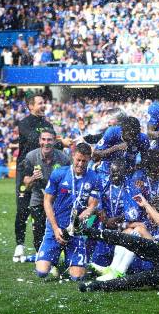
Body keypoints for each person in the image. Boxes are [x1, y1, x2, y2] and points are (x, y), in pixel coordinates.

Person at [14, 94, 71, 262]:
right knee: (23, 208)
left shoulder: (47, 124)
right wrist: (62, 143)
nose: (43, 105)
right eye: (39, 103)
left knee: (44, 207)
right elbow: (33, 141)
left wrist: (59, 142)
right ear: (30, 106)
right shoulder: (24, 123)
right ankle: (19, 245)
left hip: (43, 170)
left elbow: (49, 143)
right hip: (26, 169)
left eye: (44, 102)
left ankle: (43, 247)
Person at [35, 143, 100, 280]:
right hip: (56, 227)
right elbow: (47, 201)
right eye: (78, 160)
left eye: (84, 161)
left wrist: (79, 222)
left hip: (77, 230)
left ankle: (68, 258)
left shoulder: (94, 177)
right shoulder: (59, 173)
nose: (81, 164)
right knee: (42, 272)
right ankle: (55, 260)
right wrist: (55, 228)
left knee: (77, 277)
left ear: (89, 160)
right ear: (73, 157)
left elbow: (92, 206)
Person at [19, 130, 70, 255]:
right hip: (38, 200)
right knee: (38, 232)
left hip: (57, 201)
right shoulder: (31, 156)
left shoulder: (63, 158)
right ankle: (41, 256)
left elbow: (70, 181)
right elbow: (25, 182)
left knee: (59, 229)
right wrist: (33, 178)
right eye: (43, 139)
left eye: (49, 140)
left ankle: (57, 256)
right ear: (39, 141)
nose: (46, 143)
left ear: (54, 141)